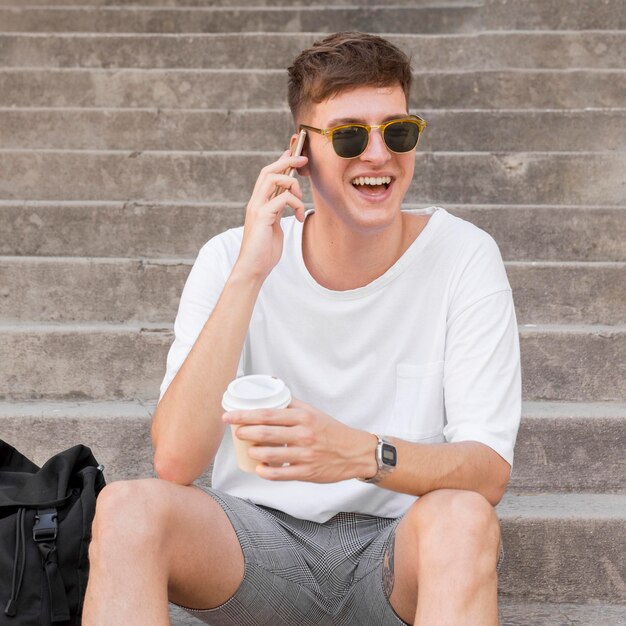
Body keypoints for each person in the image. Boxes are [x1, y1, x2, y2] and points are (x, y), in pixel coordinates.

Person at [84, 32, 521, 626]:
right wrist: (251, 274)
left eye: (397, 131)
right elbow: (176, 464)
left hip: (399, 555)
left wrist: (360, 454)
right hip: (255, 553)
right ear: (299, 150)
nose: (377, 155)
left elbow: (488, 470)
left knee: (465, 520)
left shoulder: (464, 255)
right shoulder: (231, 257)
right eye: (347, 134)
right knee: (126, 508)